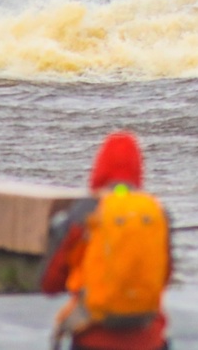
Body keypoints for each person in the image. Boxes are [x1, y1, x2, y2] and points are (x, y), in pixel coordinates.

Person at [41, 131, 172, 350]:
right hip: (149, 340)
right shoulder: (157, 214)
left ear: (99, 169)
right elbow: (165, 275)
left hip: (93, 339)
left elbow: (51, 282)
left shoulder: (87, 211)